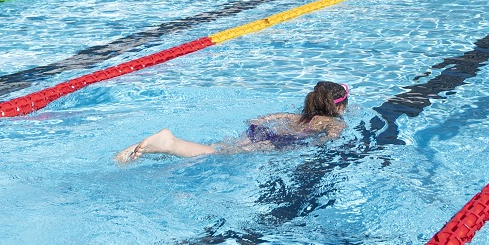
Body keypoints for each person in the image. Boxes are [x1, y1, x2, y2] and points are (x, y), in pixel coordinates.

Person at [115, 81, 349, 164]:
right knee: (219, 154)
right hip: (280, 141)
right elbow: (329, 140)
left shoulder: (292, 116)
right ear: (338, 107)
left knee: (221, 147)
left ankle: (149, 149)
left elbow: (258, 120)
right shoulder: (334, 123)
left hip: (262, 132)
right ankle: (168, 144)